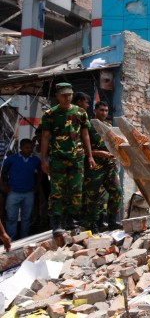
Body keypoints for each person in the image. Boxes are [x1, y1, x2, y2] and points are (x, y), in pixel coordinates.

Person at [40, 83, 95, 237]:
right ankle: (57, 223)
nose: (67, 98)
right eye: (64, 95)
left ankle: (71, 220)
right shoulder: (50, 114)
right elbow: (45, 137)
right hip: (58, 158)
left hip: (77, 158)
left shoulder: (80, 113)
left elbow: (85, 135)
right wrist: (43, 159)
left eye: (69, 94)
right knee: (57, 191)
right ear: (57, 95)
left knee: (76, 190)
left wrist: (90, 155)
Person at [81, 101, 123, 233]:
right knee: (93, 196)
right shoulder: (88, 126)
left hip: (109, 165)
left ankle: (112, 221)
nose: (104, 113)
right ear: (95, 111)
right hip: (95, 165)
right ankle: (92, 224)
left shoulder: (108, 126)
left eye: (106, 110)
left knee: (117, 192)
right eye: (101, 110)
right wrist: (99, 153)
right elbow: (82, 149)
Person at [0, 139, 41, 239]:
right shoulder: (11, 159)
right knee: (11, 217)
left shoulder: (35, 160)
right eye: (27, 148)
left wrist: (37, 185)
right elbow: (2, 172)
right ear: (21, 148)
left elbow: (40, 172)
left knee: (26, 218)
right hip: (13, 192)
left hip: (28, 193)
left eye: (31, 147)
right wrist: (4, 186)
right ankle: (11, 240)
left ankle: (24, 239)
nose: (30, 150)